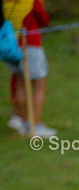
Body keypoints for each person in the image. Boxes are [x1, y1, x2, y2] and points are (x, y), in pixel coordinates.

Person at [5, 0, 55, 138]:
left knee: (20, 84)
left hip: (13, 45)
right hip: (30, 44)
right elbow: (44, 19)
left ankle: (25, 124)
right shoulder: (31, 1)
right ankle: (36, 126)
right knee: (39, 85)